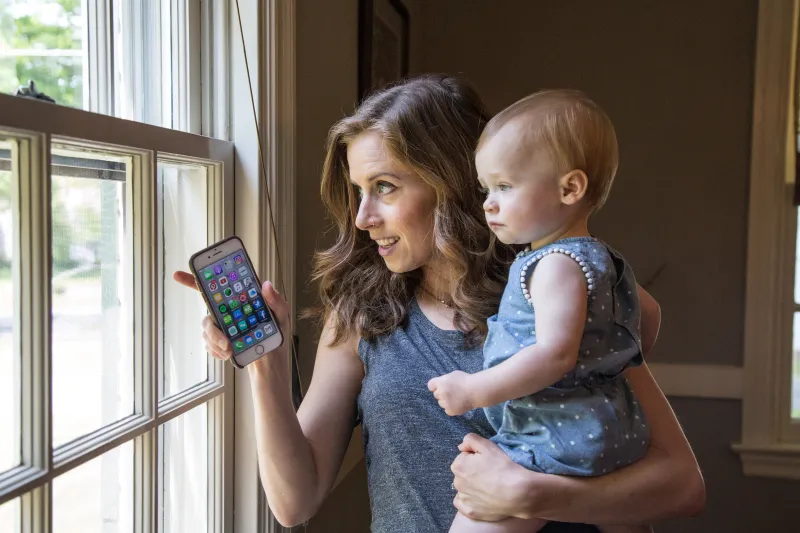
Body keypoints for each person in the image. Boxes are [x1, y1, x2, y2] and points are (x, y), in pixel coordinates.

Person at [173, 74, 705, 533]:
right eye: (358, 189)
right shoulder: (363, 312)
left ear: (451, 183)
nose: (362, 217)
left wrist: (533, 497)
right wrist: (264, 365)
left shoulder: (552, 291)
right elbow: (295, 500)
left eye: (384, 187)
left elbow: (681, 484)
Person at [428, 89, 654, 533]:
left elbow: (554, 355)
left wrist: (475, 390)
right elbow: (649, 319)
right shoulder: (604, 260)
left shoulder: (553, 264)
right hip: (612, 429)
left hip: (552, 437)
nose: (489, 202)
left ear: (570, 188)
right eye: (486, 189)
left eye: (505, 187)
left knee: (473, 518)